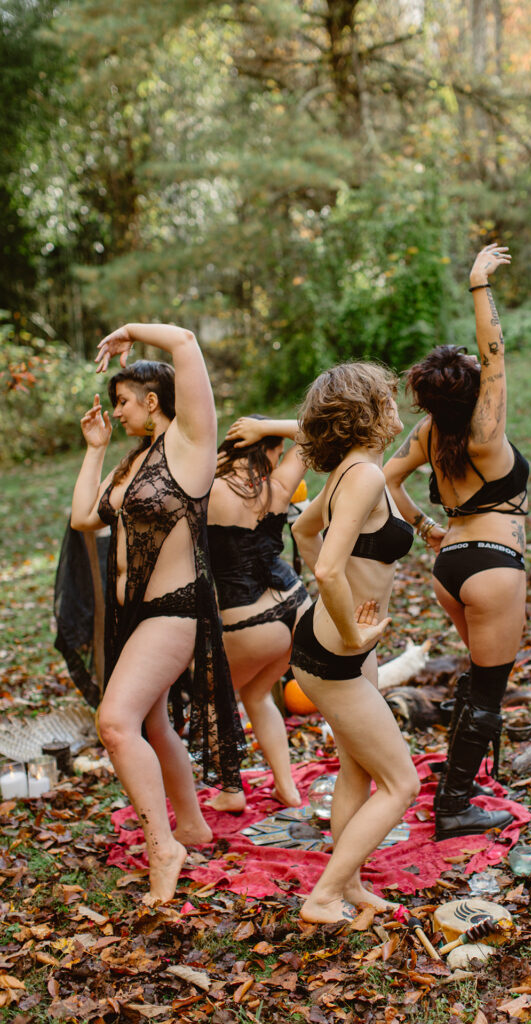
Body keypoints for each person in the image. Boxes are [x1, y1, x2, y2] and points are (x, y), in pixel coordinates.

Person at [70, 323, 245, 904]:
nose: (116, 412)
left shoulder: (189, 447)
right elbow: (85, 520)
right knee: (152, 724)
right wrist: (95, 451)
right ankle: (192, 825)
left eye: (122, 403)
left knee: (115, 724)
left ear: (152, 401)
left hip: (175, 608)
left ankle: (163, 845)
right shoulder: (132, 461)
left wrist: (127, 333)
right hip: (133, 617)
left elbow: (187, 343)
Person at [383, 244, 526, 840]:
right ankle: (455, 806)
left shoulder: (431, 429)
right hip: (493, 567)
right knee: (489, 689)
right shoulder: (484, 430)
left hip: (451, 566)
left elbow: (386, 480)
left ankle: (461, 782)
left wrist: (425, 528)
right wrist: (478, 285)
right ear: (472, 389)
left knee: (478, 678)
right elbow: (495, 351)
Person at [290, 363, 420, 924]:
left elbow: (302, 529)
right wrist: (349, 630)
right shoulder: (362, 475)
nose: (397, 405)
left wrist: (351, 633)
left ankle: (352, 887)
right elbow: (325, 568)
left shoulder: (351, 472)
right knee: (402, 783)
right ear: (365, 412)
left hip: (343, 649)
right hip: (336, 652)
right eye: (387, 397)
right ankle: (322, 896)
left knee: (358, 769)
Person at [206, 415, 311, 811]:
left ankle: (231, 790)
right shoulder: (278, 486)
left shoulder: (207, 490)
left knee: (214, 697)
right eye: (277, 451)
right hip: (296, 606)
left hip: (249, 620)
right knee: (255, 692)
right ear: (261, 448)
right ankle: (286, 787)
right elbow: (311, 429)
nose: (280, 458)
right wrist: (272, 428)